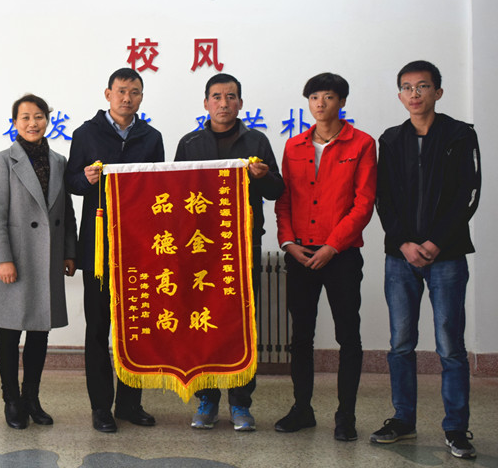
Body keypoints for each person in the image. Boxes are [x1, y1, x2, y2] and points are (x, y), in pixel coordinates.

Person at [369, 61, 480, 460]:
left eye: (423, 86)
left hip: (446, 256)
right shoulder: (391, 139)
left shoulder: (459, 134)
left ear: (438, 92)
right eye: (407, 87)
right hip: (400, 257)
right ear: (400, 95)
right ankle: (403, 419)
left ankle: (456, 428)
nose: (414, 94)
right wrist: (404, 243)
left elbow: (469, 193)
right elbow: (382, 196)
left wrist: (435, 242)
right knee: (401, 342)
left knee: (450, 344)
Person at [174, 73, 284, 431]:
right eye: (217, 97)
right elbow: (174, 195)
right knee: (201, 322)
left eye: (231, 96)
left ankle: (240, 403)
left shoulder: (257, 141)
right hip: (199, 249)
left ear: (241, 103)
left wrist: (263, 176)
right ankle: (206, 399)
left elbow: (277, 191)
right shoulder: (189, 143)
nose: (224, 103)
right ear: (206, 103)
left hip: (243, 246)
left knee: (242, 323)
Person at [274, 73, 376, 442]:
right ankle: (302, 409)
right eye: (314, 97)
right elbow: (284, 200)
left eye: (329, 96)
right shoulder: (294, 146)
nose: (320, 103)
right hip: (300, 253)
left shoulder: (362, 143)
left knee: (348, 335)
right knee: (300, 336)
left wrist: (333, 246)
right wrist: (288, 242)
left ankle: (345, 415)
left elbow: (363, 203)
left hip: (341, 255)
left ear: (342, 101)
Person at [65, 68, 165, 433]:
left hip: (139, 247)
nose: (127, 98)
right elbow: (70, 183)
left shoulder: (151, 137)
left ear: (141, 97)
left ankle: (129, 403)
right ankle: (100, 407)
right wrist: (85, 178)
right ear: (107, 94)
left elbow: (160, 192)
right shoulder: (86, 134)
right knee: (98, 329)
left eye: (134, 92)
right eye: (121, 91)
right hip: (98, 249)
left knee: (135, 327)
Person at [0, 94, 78, 429]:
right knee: (10, 332)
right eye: (25, 117)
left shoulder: (59, 161)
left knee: (40, 332)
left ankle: (31, 398)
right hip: (16, 259)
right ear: (14, 123)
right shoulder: (1, 161)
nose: (32, 123)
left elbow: (67, 211)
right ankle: (11, 400)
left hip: (48, 259)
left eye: (38, 116)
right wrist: (3, 259)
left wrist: (70, 252)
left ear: (47, 121)